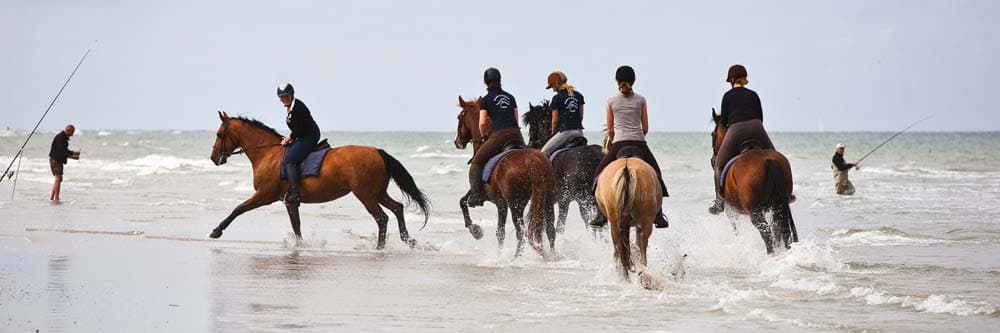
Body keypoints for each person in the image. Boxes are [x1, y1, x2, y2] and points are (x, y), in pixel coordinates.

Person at [590, 65, 669, 229]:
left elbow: (610, 130)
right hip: (639, 142)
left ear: (617, 81)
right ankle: (659, 214)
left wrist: (615, 138)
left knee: (598, 175)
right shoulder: (641, 100)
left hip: (618, 144)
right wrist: (636, 136)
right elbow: (645, 128)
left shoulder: (611, 101)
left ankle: (599, 214)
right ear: (634, 81)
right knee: (657, 174)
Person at [709, 64, 776, 214]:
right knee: (775, 156)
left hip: (736, 130)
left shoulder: (727, 96)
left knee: (719, 164)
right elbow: (760, 117)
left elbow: (724, 121)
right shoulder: (754, 94)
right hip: (757, 128)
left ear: (732, 80)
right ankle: (784, 192)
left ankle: (719, 202)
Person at [467, 67, 525, 207]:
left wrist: (484, 137)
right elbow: (516, 119)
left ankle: (477, 195)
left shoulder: (486, 100)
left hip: (499, 136)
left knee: (476, 163)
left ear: (486, 82)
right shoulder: (511, 97)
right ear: (500, 81)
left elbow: (481, 123)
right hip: (517, 135)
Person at [277, 83, 321, 207]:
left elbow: (299, 129)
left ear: (291, 95)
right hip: (302, 135)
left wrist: (289, 138)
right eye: (281, 97)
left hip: (310, 135)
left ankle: (295, 194)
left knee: (289, 161)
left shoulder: (298, 107)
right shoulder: (289, 107)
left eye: (286, 96)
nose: (283, 99)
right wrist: (290, 138)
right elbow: (297, 128)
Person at [541, 71, 585, 156]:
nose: (553, 90)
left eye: (552, 86)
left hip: (566, 132)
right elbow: (581, 116)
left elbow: (555, 120)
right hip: (579, 132)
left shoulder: (557, 98)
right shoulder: (579, 95)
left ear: (556, 84)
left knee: (543, 154)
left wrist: (553, 132)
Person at [49, 124, 80, 202]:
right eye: (72, 132)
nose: (72, 135)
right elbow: (61, 152)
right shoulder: (61, 138)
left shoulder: (62, 138)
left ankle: (52, 197)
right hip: (55, 160)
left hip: (56, 160)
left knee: (58, 179)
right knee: (58, 178)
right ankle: (56, 198)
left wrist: (73, 153)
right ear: (68, 130)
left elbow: (64, 150)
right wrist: (73, 157)